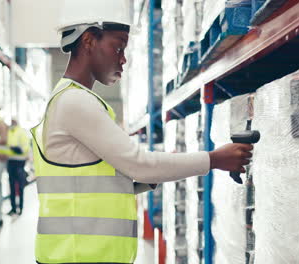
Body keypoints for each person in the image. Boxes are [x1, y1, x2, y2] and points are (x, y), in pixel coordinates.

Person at [30, 1, 254, 263]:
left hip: (73, 254)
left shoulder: (68, 100)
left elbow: (89, 187)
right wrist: (215, 159)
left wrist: (154, 175)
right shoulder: (76, 102)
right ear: (89, 40)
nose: (123, 58)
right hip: (80, 256)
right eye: (118, 46)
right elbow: (138, 164)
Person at [6, 118, 30, 216]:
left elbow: (25, 147)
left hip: (19, 162)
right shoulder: (9, 132)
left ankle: (21, 208)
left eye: (13, 122)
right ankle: (13, 208)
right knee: (11, 185)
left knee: (20, 186)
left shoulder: (21, 132)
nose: (12, 124)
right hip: (11, 161)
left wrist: (16, 149)